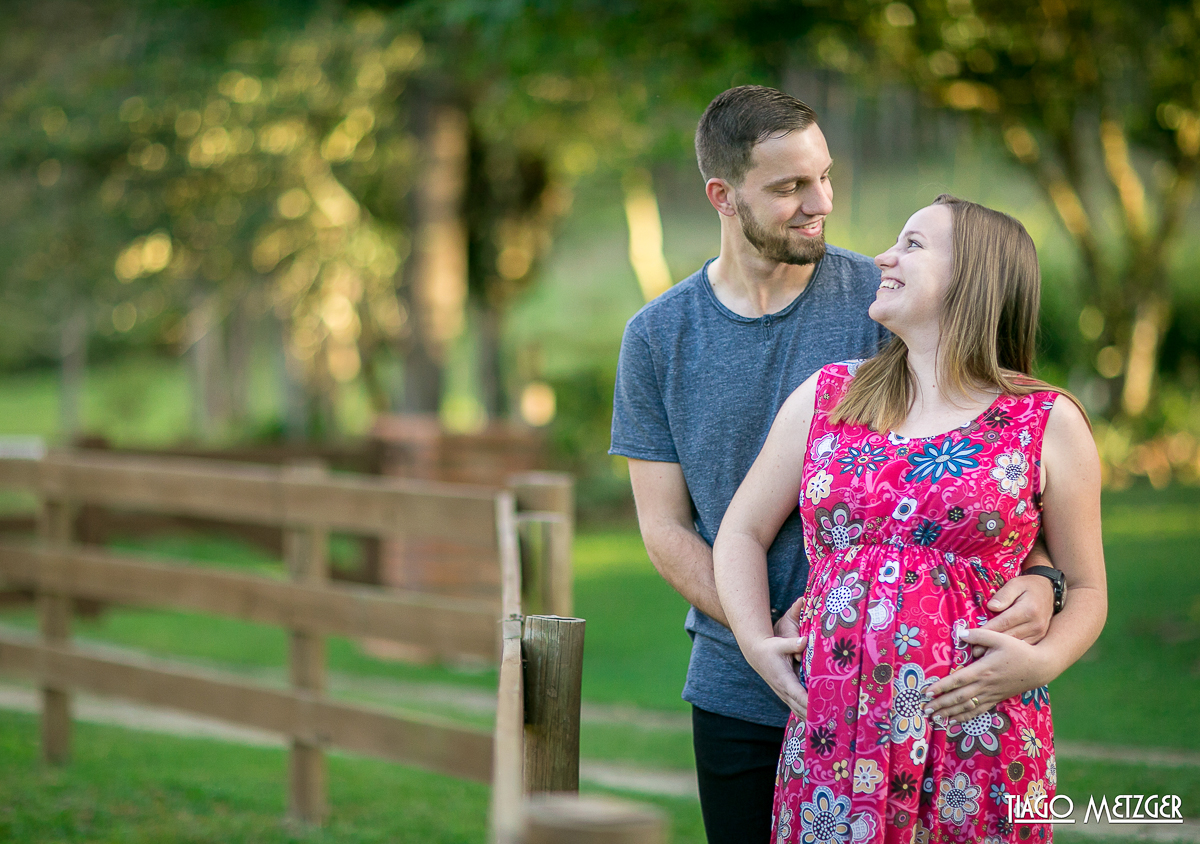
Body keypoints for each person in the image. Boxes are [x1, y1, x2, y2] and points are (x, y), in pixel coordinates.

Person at [609, 85, 1059, 844]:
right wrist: (766, 636)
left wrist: (1044, 578)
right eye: (788, 188)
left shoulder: (886, 301)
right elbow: (665, 529)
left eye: (824, 176)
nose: (819, 202)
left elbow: (997, 463)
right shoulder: (657, 337)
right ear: (723, 196)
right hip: (740, 684)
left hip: (909, 683)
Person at [713, 195, 1107, 843]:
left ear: (975, 277)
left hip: (979, 736)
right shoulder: (829, 397)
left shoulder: (1048, 422)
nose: (884, 257)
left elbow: (1087, 588)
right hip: (838, 738)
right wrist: (758, 645)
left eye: (914, 245)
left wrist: (1044, 662)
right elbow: (741, 531)